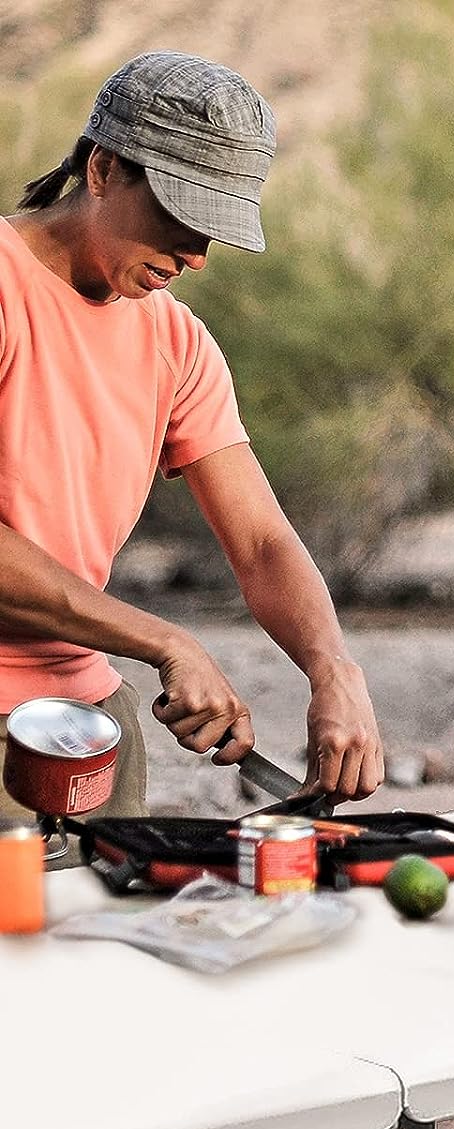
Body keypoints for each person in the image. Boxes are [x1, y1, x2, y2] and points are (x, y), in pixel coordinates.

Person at [0, 50, 382, 842]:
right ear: (104, 169)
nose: (197, 256)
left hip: (89, 722)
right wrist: (165, 642)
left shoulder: (176, 341)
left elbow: (263, 542)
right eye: (179, 218)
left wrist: (333, 669)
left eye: (213, 230)